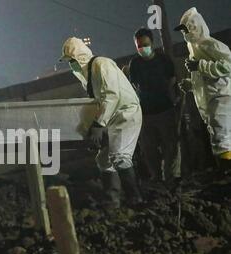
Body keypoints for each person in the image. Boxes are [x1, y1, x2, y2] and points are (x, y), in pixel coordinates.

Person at [60, 37, 143, 209]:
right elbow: (97, 103)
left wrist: (98, 125)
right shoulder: (88, 75)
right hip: (112, 117)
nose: (71, 65)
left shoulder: (101, 64)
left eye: (72, 61)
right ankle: (112, 199)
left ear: (80, 57)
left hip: (126, 113)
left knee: (120, 156)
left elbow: (111, 96)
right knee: (104, 159)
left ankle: (135, 199)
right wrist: (92, 129)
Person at [175, 7, 231, 172]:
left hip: (222, 97)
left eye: (186, 28)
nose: (184, 32)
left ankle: (226, 175)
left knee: (222, 138)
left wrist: (200, 65)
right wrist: (190, 84)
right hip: (211, 99)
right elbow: (203, 78)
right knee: (219, 138)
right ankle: (224, 174)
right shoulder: (194, 47)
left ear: (195, 25)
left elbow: (228, 65)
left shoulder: (210, 44)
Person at [129, 28, 181, 183]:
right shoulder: (135, 63)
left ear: (152, 43)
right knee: (148, 149)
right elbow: (134, 86)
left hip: (165, 109)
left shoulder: (163, 60)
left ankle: (171, 177)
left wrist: (171, 97)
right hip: (145, 113)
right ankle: (156, 177)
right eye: (139, 46)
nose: (142, 48)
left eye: (145, 44)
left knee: (170, 146)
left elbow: (172, 80)